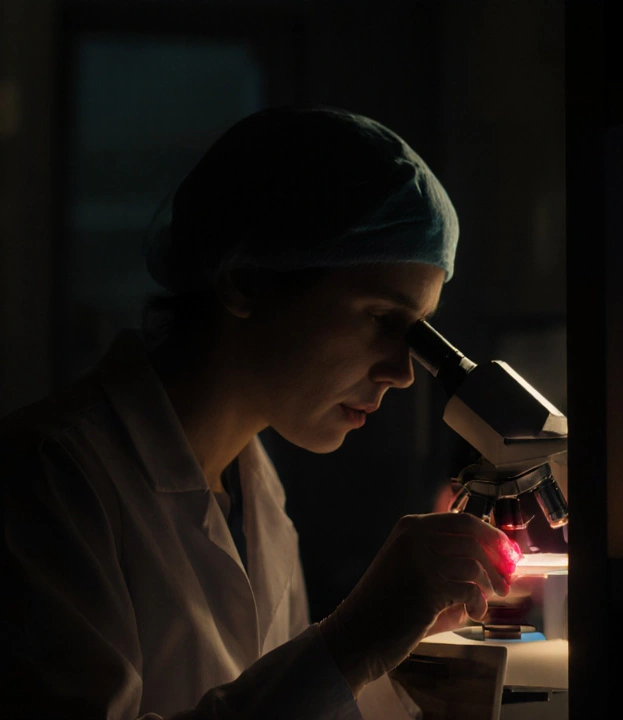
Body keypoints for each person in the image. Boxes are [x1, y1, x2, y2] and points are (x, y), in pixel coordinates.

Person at [0, 106, 519, 718]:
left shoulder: (254, 488)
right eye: (382, 318)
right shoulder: (45, 478)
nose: (403, 373)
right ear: (247, 281)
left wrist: (397, 639)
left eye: (417, 333)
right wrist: (353, 643)